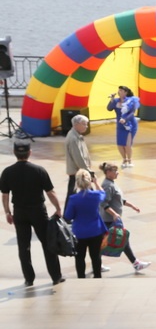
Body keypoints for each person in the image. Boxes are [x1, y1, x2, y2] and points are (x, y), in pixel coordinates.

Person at [0, 140, 66, 286]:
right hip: (37, 210)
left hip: (19, 211)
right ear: (30, 153)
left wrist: (8, 212)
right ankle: (55, 276)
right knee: (47, 243)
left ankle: (29, 278)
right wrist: (58, 208)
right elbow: (50, 192)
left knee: (24, 246)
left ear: (14, 153)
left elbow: (5, 195)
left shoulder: (7, 172)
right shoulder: (39, 170)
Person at [98, 162, 150, 273]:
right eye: (115, 171)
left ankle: (98, 264)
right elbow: (103, 203)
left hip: (113, 219)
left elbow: (119, 199)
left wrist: (132, 206)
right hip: (109, 220)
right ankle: (135, 263)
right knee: (119, 240)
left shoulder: (112, 183)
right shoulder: (107, 185)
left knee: (108, 241)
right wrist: (114, 214)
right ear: (108, 172)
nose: (117, 173)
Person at [64, 169, 108, 279]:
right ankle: (97, 277)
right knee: (96, 256)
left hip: (79, 233)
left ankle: (81, 278)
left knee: (79, 257)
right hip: (95, 231)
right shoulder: (96, 195)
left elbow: (68, 216)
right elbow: (103, 193)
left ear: (77, 183)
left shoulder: (73, 198)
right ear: (90, 181)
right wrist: (97, 182)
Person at [107, 86, 140, 168]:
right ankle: (124, 159)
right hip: (120, 125)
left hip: (130, 124)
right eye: (119, 90)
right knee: (120, 144)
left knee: (127, 144)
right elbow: (109, 108)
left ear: (126, 92)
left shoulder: (131, 101)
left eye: (121, 90)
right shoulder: (116, 101)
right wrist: (111, 100)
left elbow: (132, 113)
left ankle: (129, 160)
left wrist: (125, 119)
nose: (119, 92)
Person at [65, 114, 92, 198]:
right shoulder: (73, 138)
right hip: (77, 173)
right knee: (73, 194)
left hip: (78, 172)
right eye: (84, 124)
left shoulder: (77, 135)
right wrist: (87, 171)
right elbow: (78, 158)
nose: (86, 126)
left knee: (72, 194)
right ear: (76, 124)